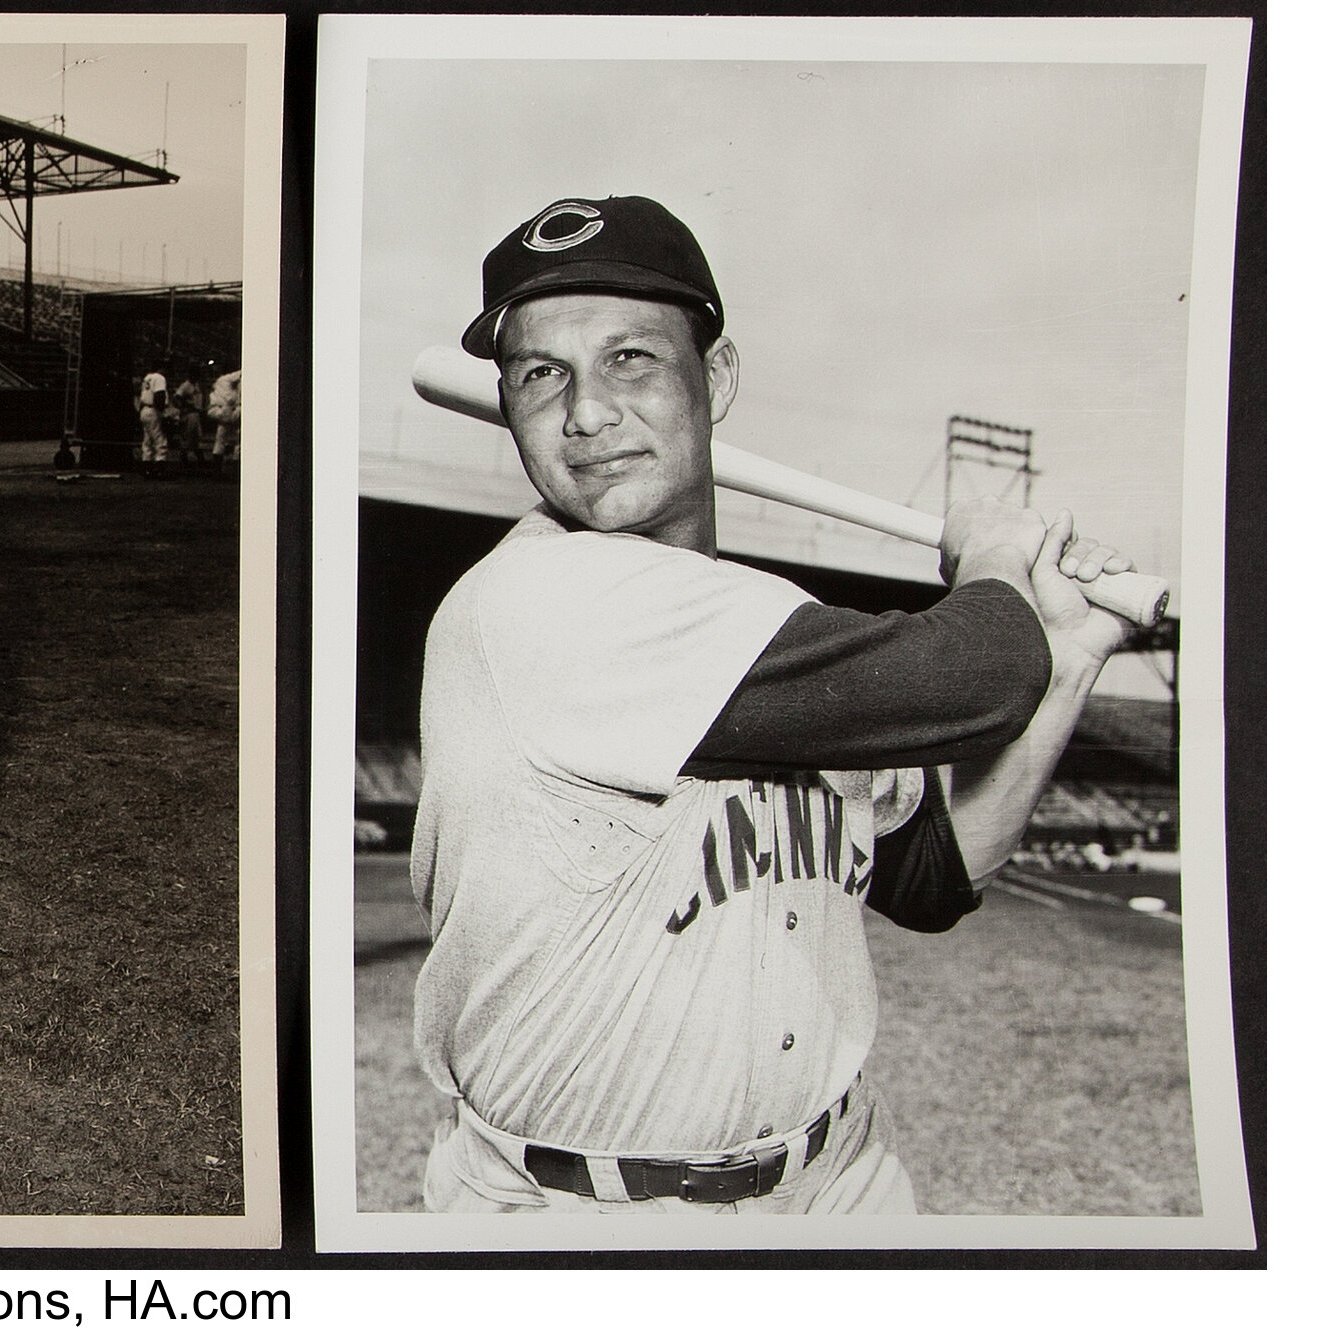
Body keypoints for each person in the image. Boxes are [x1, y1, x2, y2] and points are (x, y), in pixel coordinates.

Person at [409, 196, 1140, 1213]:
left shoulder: (768, 631)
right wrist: (996, 560)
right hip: (580, 1219)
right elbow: (969, 676)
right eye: (542, 373)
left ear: (714, 379)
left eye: (630, 359)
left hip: (836, 1184)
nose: (584, 413)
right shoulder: (538, 603)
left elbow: (931, 875)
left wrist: (1075, 648)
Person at [135, 369, 171, 473]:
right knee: (160, 440)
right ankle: (160, 470)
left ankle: (147, 468)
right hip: (154, 410)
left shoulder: (148, 377)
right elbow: (159, 396)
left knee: (147, 441)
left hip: (145, 410)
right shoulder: (159, 378)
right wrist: (163, 414)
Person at [206, 368, 243, 463]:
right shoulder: (227, 378)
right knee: (239, 437)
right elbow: (240, 374)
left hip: (220, 411)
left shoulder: (218, 382)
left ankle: (218, 467)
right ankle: (236, 461)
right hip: (229, 409)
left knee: (220, 439)